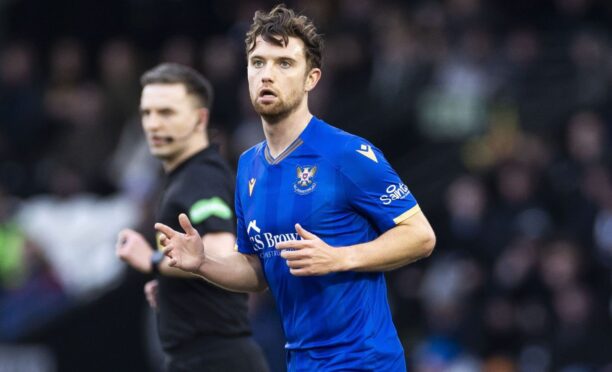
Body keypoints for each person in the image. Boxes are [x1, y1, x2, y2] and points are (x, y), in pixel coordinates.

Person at [157, 5, 436, 371]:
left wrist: (341, 257)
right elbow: (259, 271)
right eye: (258, 62)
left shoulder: (347, 153)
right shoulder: (247, 166)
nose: (267, 74)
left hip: (364, 363)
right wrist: (203, 264)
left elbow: (421, 236)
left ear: (312, 78)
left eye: (284, 63)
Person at [115, 63, 269, 372]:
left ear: (199, 119)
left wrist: (152, 261)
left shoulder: (200, 178)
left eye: (168, 113)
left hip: (214, 360)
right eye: (148, 114)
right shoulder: (187, 177)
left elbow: (223, 252)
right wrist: (179, 292)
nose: (154, 125)